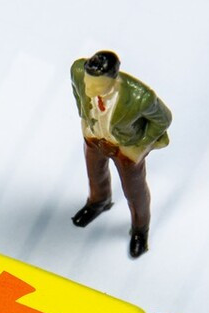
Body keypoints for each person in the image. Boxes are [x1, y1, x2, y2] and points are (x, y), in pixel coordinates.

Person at [70, 51, 172, 258]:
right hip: (94, 136)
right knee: (95, 174)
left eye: (96, 86)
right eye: (88, 83)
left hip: (125, 147)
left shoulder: (140, 98)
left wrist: (141, 144)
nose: (89, 90)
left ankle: (140, 229)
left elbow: (164, 119)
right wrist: (84, 116)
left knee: (134, 191)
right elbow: (77, 89)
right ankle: (99, 202)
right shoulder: (79, 72)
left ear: (113, 81)